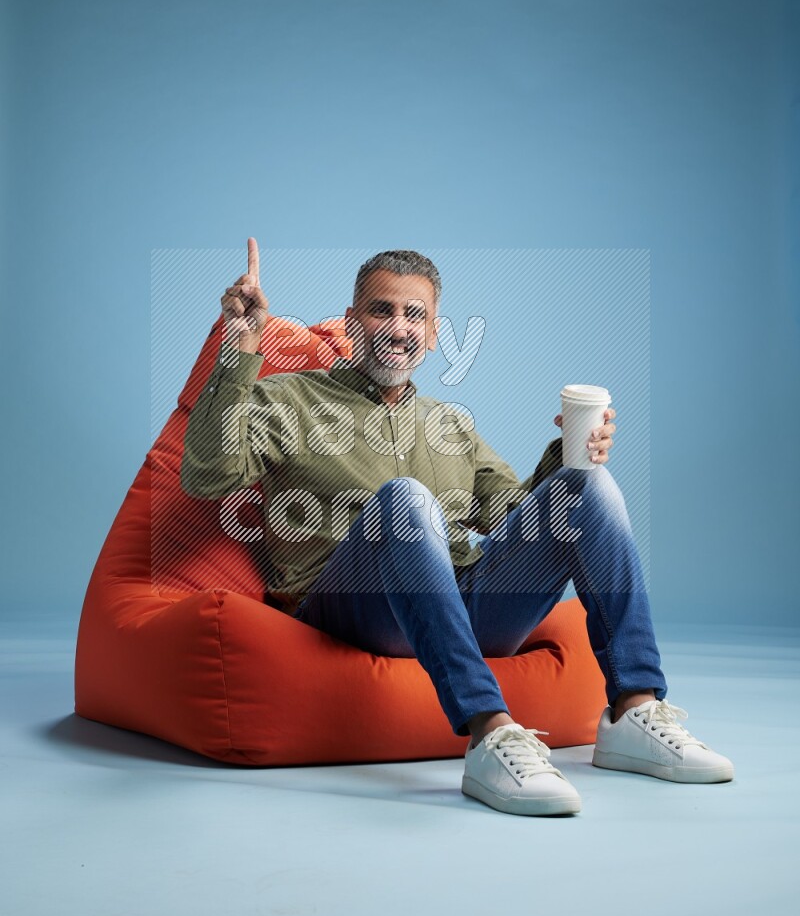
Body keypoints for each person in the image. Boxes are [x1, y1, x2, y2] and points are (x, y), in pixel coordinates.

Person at [181, 238, 734, 816]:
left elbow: (513, 515)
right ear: (350, 322)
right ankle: (490, 733)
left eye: (414, 314)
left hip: (462, 605)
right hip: (348, 610)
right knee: (405, 500)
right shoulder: (287, 398)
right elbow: (206, 474)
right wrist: (241, 345)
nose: (398, 327)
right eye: (381, 309)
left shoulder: (450, 425)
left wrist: (568, 457)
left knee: (588, 489)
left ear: (435, 332)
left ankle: (633, 709)